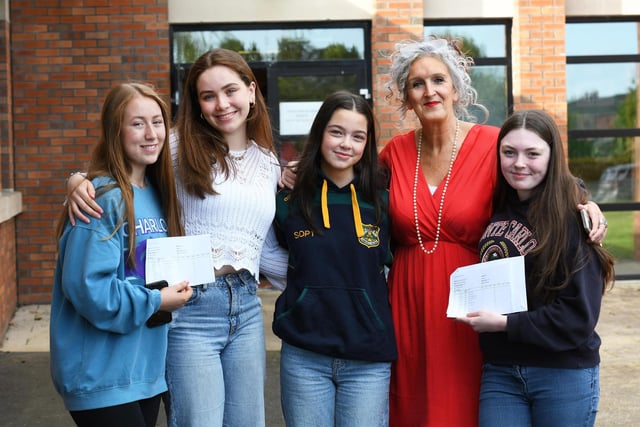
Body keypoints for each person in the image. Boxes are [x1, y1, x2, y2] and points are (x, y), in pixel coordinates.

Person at [376, 37, 608, 426]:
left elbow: (543, 174)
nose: (429, 91)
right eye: (417, 83)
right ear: (405, 95)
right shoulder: (393, 153)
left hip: (475, 304)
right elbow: (346, 186)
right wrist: (297, 173)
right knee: (411, 407)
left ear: (455, 87)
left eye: (438, 79)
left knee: (470, 406)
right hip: (408, 304)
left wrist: (585, 200)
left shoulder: (492, 143)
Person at [65, 49, 287, 427]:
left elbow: (260, 245)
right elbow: (117, 166)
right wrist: (75, 180)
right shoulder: (175, 147)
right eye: (207, 96)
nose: (221, 104)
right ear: (197, 104)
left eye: (230, 90)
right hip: (190, 306)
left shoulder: (268, 161)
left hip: (247, 307)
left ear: (252, 91)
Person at [457, 109, 615, 427]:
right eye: (509, 152)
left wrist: (504, 324)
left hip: (561, 372)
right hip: (501, 372)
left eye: (533, 153)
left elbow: (577, 316)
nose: (519, 163)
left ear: (552, 156)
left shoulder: (573, 218)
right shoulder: (497, 206)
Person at [50, 82, 193, 427]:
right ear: (115, 130)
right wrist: (156, 301)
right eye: (137, 123)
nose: (151, 133)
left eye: (157, 122)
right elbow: (88, 289)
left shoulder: (158, 194)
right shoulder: (104, 198)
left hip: (142, 371)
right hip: (101, 375)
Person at [272, 91, 396, 426]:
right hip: (304, 354)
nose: (346, 144)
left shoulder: (384, 203)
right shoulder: (287, 199)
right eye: (336, 132)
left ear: (367, 144)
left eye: (358, 136)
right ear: (320, 133)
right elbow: (269, 257)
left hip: (368, 357)